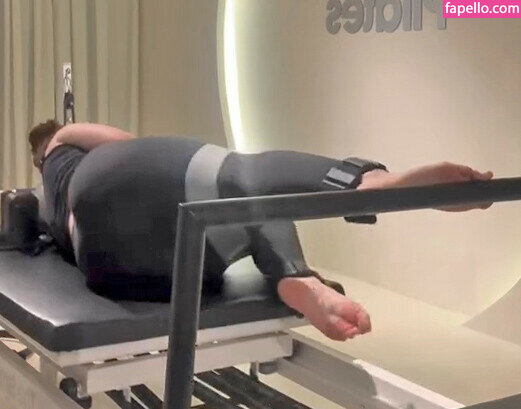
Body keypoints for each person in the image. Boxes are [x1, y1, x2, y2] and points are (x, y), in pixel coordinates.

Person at [29, 119, 493, 342]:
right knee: (232, 176)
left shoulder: (45, 192)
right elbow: (130, 144)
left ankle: (294, 275)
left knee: (233, 209)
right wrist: (71, 134)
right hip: (107, 190)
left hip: (116, 270)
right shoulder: (63, 141)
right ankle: (364, 186)